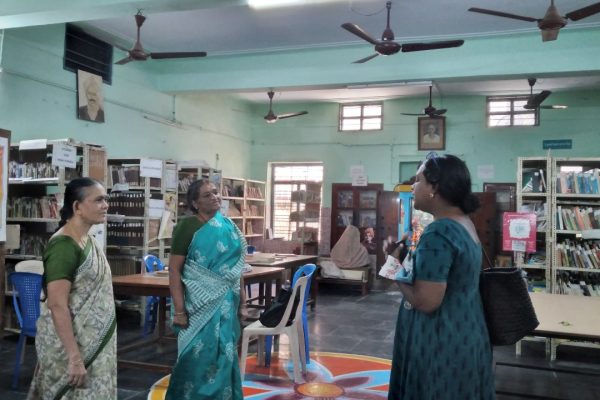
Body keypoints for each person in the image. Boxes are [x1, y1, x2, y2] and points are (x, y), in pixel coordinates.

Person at [387, 153, 495, 400]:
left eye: (418, 180)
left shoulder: (439, 231)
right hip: (467, 332)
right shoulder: (464, 223)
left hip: (442, 342)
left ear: (434, 187)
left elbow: (426, 301)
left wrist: (395, 270)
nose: (412, 186)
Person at [27, 178, 115, 399]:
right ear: (77, 207)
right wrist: (74, 358)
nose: (105, 205)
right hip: (73, 348)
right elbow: (57, 305)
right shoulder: (64, 246)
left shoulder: (86, 240)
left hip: (92, 343)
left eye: (106, 199)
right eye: (98, 200)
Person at [165, 179, 247, 400]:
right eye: (207, 195)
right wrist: (180, 311)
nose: (215, 197)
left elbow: (236, 268)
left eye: (215, 192)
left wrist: (244, 303)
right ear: (195, 203)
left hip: (227, 303)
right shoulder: (187, 227)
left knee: (225, 355)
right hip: (197, 305)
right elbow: (174, 270)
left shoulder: (228, 226)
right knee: (196, 357)